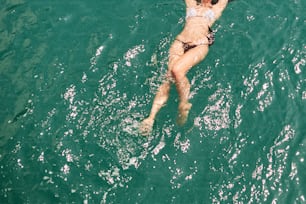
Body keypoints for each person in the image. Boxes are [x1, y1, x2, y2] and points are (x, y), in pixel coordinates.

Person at [140, 0, 232, 135]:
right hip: (180, 42)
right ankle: (151, 118)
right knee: (167, 79)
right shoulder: (192, 4)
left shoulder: (217, 6)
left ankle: (184, 103)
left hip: (199, 44)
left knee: (177, 71)